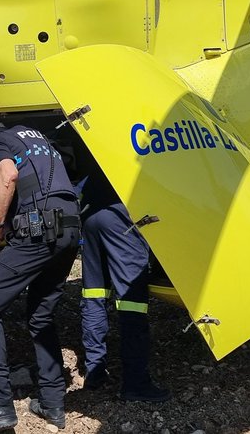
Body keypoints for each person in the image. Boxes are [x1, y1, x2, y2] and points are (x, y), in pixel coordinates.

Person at [0, 121, 81, 432]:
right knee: (40, 314)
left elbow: (8, 175)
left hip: (40, 230)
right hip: (70, 227)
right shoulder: (34, 137)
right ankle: (52, 402)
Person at [78, 168, 171, 402]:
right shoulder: (144, 148)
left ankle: (94, 371)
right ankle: (135, 383)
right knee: (132, 302)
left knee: (93, 295)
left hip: (90, 212)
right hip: (123, 215)